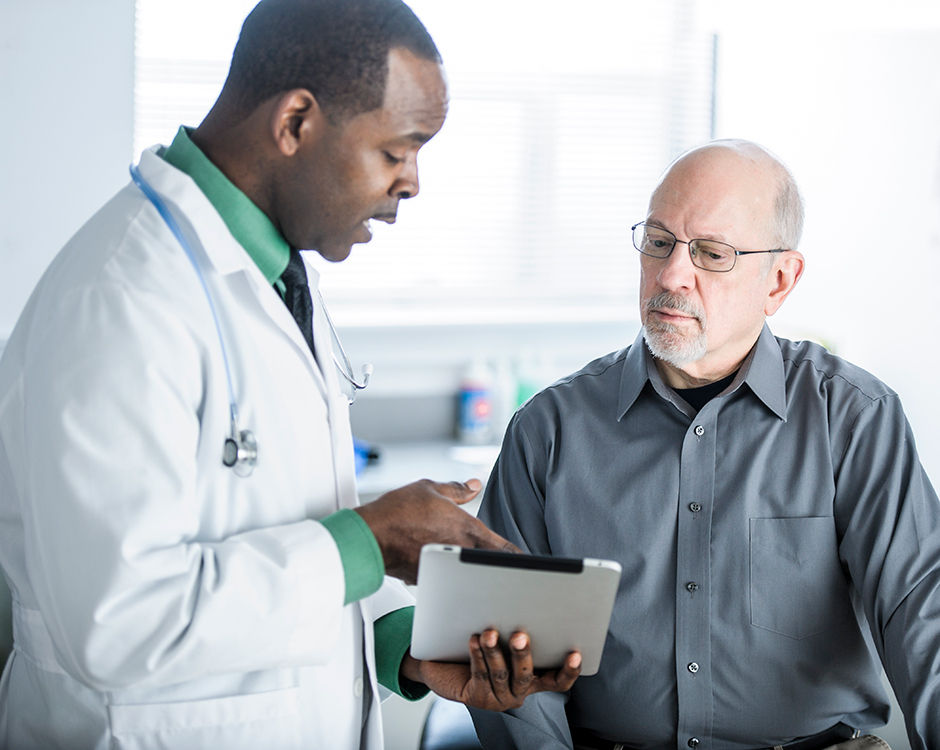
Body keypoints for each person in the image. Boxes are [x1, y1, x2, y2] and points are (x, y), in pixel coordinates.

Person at [0, 1, 581, 747]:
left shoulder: (270, 279)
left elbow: (279, 525)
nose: (412, 184)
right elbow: (120, 622)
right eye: (398, 150)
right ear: (296, 122)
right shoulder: (118, 301)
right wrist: (373, 540)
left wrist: (401, 640)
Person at [469, 139, 940, 750]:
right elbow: (509, 664)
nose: (670, 276)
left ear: (779, 281)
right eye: (659, 243)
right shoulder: (549, 429)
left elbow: (921, 617)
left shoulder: (853, 418)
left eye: (711, 254)